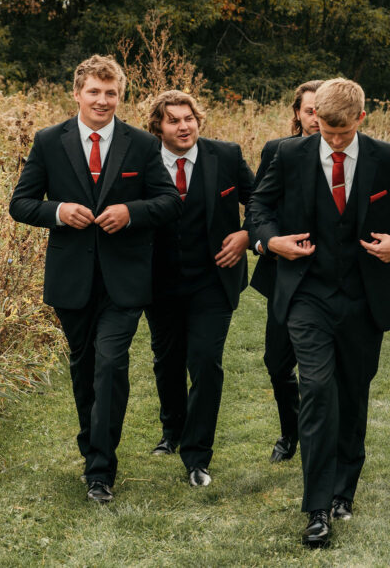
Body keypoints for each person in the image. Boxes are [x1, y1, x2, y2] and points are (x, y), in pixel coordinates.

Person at [248, 78, 390, 549]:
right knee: (316, 391)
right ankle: (317, 508)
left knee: (352, 393)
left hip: (365, 298)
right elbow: (259, 207)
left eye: (342, 132)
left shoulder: (386, 158)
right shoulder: (289, 156)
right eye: (325, 130)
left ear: (361, 120)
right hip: (307, 294)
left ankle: (344, 488)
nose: (332, 140)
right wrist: (271, 241)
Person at [9, 55, 181, 503]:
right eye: (94, 92)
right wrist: (59, 212)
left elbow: (168, 202)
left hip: (125, 281)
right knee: (83, 368)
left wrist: (131, 212)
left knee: (110, 365)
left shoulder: (141, 144)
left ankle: (101, 469)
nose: (102, 100)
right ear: (77, 94)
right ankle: (92, 446)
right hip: (71, 279)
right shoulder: (49, 141)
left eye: (111, 93)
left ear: (119, 96)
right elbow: (21, 204)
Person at [144, 90, 255, 487]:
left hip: (214, 279)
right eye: (173, 120)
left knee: (205, 363)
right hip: (159, 281)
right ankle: (172, 431)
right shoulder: (142, 158)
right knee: (167, 362)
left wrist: (246, 233)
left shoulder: (225, 155)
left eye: (188, 118)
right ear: (158, 126)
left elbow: (259, 200)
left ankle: (197, 456)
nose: (183, 125)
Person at [250, 79, 322, 463]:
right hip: (283, 273)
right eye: (309, 111)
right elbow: (260, 207)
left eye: (321, 110)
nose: (315, 118)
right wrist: (271, 242)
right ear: (297, 113)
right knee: (278, 362)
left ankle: (317, 438)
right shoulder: (277, 150)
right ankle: (289, 430)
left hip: (330, 276)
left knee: (321, 370)